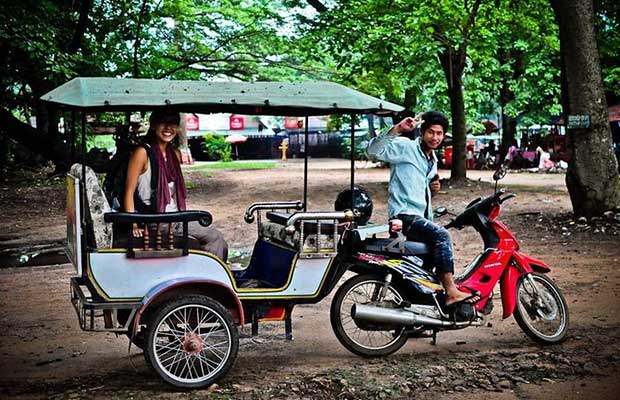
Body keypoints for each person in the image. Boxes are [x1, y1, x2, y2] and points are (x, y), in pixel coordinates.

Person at [367, 111, 472, 306]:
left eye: (439, 134)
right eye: (431, 132)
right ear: (422, 132)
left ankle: (421, 312)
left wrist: (433, 191)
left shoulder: (431, 161)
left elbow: (419, 190)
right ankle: (451, 291)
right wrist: (398, 128)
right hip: (404, 216)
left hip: (420, 217)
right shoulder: (405, 147)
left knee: (425, 265)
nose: (435, 138)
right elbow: (372, 151)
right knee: (442, 236)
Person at [124, 110, 228, 261]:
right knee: (215, 238)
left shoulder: (174, 154)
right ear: (153, 126)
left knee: (218, 240)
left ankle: (205, 275)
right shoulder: (142, 153)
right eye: (163, 123)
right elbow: (128, 192)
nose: (168, 128)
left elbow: (172, 194)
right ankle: (209, 280)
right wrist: (133, 225)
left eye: (173, 124)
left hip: (175, 217)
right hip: (156, 220)